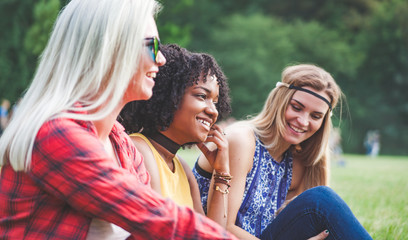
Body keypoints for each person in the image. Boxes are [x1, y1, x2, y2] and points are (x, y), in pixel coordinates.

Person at [0, 0, 236, 239]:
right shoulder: (56, 134)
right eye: (152, 46)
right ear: (111, 48)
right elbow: (154, 217)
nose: (161, 60)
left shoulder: (120, 143)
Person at [194, 64, 373, 239]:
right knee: (321, 201)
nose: (303, 121)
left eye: (315, 116)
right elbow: (223, 228)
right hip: (213, 236)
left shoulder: (297, 162)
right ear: (281, 101)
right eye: (296, 107)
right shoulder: (241, 139)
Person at [119, 43, 232, 227]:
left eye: (216, 102)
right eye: (202, 96)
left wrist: (221, 173)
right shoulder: (139, 149)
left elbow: (212, 233)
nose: (213, 111)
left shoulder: (182, 168)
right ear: (170, 96)